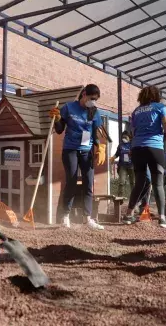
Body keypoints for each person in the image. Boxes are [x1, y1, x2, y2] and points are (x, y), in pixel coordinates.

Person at [49, 84, 106, 230]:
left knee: (88, 183)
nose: (93, 102)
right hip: (71, 150)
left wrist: (99, 146)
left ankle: (87, 219)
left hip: (86, 150)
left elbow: (95, 131)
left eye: (96, 100)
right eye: (92, 98)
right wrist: (57, 119)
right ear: (84, 94)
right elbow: (60, 130)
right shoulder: (69, 108)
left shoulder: (93, 111)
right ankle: (65, 216)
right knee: (71, 181)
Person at [122, 85, 166, 228]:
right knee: (158, 183)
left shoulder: (136, 111)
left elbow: (132, 132)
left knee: (139, 182)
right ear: (155, 95)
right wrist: (163, 137)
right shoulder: (160, 107)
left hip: (137, 148)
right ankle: (162, 218)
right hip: (155, 147)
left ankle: (128, 214)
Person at [110, 130, 134, 198]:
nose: (124, 139)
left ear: (130, 138)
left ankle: (134, 198)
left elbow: (136, 154)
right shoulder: (120, 145)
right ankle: (120, 198)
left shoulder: (132, 145)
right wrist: (112, 158)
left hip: (131, 166)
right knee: (121, 182)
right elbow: (117, 154)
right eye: (123, 137)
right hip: (123, 166)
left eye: (126, 137)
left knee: (133, 183)